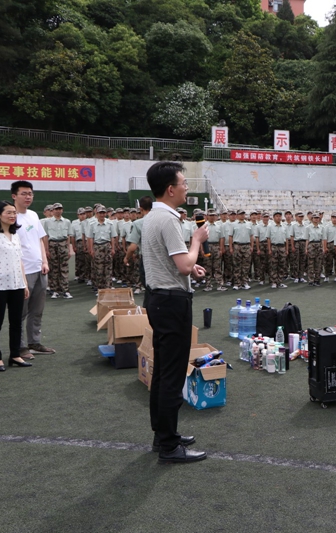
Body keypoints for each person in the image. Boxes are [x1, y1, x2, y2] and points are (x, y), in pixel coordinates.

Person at [141, 161, 208, 465]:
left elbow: (174, 262)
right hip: (171, 302)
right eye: (183, 183)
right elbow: (182, 265)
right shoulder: (168, 219)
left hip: (159, 298)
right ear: (170, 189)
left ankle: (163, 434)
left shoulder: (154, 216)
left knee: (162, 371)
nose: (186, 187)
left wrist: (190, 265)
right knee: (172, 373)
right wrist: (196, 242)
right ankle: (169, 445)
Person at [10, 180, 53, 358]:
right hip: (22, 271)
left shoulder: (34, 215)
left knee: (37, 310)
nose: (28, 197)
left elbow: (40, 240)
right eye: (24, 194)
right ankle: (20, 347)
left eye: (30, 194)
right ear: (14, 196)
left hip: (39, 269)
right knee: (20, 311)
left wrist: (44, 261)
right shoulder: (10, 218)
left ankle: (34, 342)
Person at [0, 201, 32, 371]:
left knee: (16, 322)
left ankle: (15, 355)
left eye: (14, 213)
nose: (12, 215)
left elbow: (19, 261)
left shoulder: (15, 235)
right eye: (8, 212)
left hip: (17, 285)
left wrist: (24, 283)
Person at [44, 203, 73, 299]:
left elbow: (68, 236)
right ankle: (55, 290)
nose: (58, 211)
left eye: (60, 209)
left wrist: (69, 249)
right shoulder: (47, 222)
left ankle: (65, 290)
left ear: (62, 210)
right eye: (56, 209)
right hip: (52, 244)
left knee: (64, 268)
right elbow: (46, 236)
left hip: (63, 244)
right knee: (54, 268)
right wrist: (46, 250)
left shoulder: (67, 222)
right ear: (53, 211)